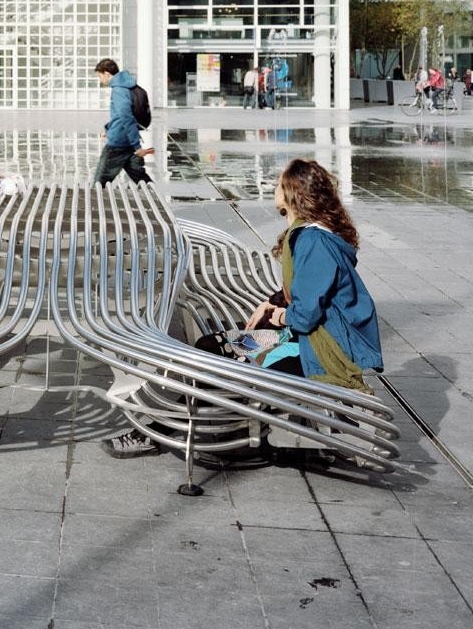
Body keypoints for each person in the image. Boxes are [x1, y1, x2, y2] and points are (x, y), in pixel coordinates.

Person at [103, 158, 383, 458]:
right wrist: (272, 302)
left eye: (279, 184)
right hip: (307, 344)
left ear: (293, 194)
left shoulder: (313, 240)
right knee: (211, 348)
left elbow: (306, 314)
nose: (275, 188)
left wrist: (280, 314)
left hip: (318, 353)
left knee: (215, 361)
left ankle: (155, 433)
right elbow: (310, 287)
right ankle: (171, 427)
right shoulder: (311, 235)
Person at [92, 58, 154, 186]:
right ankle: (157, 199)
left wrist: (137, 146)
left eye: (100, 76)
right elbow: (119, 116)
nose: (100, 80)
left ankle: (94, 205)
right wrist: (109, 129)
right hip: (127, 142)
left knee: (99, 182)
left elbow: (126, 118)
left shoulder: (119, 90)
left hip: (118, 144)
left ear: (107, 74)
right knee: (140, 177)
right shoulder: (126, 86)